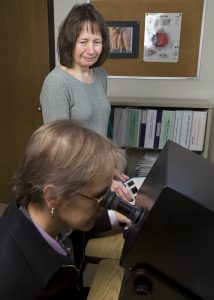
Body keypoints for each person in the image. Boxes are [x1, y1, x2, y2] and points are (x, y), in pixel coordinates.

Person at [0, 120, 130, 300]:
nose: (107, 203)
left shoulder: (39, 211)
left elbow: (74, 226)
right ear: (53, 196)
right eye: (100, 196)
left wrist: (115, 216)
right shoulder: (17, 284)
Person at [40, 3, 130, 200]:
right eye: (83, 42)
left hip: (98, 170)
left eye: (97, 42)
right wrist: (104, 179)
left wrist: (109, 167)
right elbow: (60, 150)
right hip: (73, 179)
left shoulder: (100, 75)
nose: (91, 50)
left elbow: (97, 132)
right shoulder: (56, 82)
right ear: (69, 42)